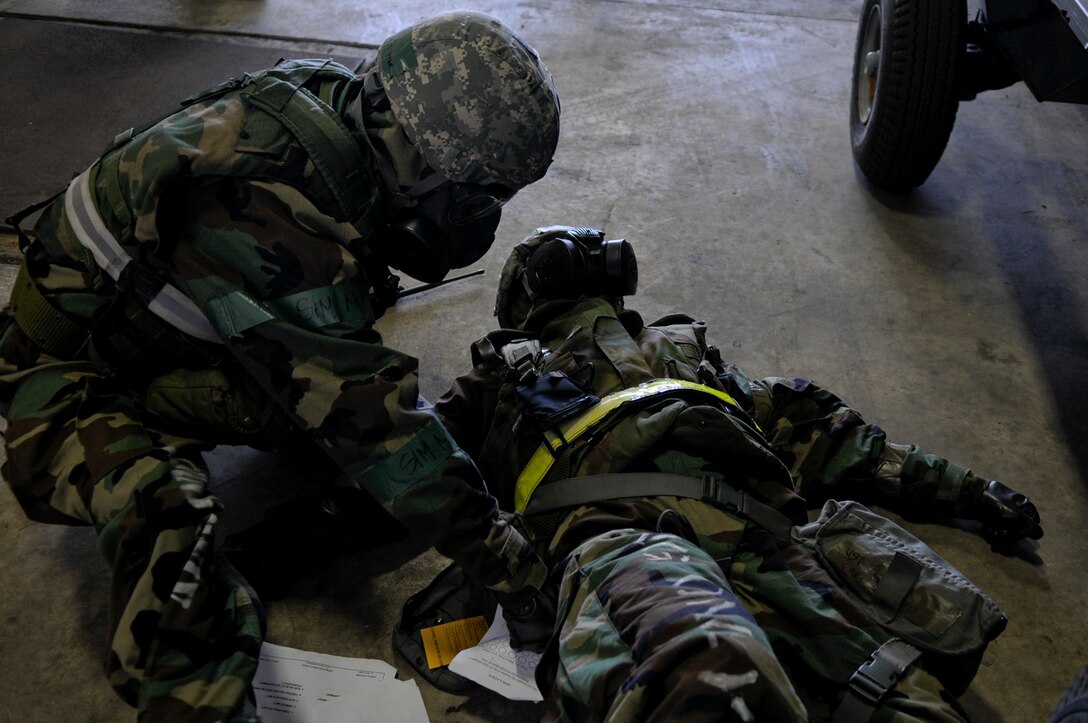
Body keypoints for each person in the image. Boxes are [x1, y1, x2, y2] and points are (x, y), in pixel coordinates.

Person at [0, 12, 560, 721]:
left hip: (156, 336)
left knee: (313, 405)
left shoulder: (330, 97)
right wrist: (511, 563)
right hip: (61, 378)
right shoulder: (284, 210)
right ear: (423, 160)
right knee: (174, 525)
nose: (482, 217)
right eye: (480, 194)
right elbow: (378, 425)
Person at [412, 225, 1043, 722]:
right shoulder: (503, 373)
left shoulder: (685, 352)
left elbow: (821, 430)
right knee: (706, 670)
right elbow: (403, 461)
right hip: (626, 536)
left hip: (769, 537)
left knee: (900, 700)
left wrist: (964, 490)